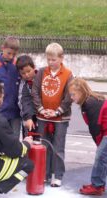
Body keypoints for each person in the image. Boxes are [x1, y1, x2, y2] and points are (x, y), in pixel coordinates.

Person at [68, 78, 107, 195]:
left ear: (81, 92)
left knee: (101, 156)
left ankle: (97, 186)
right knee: (103, 157)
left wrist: (99, 144)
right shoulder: (87, 101)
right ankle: (99, 184)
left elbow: (94, 127)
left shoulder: (90, 103)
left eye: (73, 94)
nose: (71, 97)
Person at [32, 43, 73, 187]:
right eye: (48, 59)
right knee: (44, 146)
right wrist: (41, 109)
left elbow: (70, 95)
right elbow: (35, 91)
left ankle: (58, 176)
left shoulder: (68, 74)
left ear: (61, 58)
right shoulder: (42, 72)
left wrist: (58, 111)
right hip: (43, 116)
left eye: (53, 60)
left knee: (58, 147)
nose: (50, 62)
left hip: (61, 118)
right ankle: (45, 174)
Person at [16, 55, 38, 135]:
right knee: (29, 142)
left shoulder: (42, 78)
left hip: (43, 117)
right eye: (23, 73)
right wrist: (28, 117)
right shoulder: (23, 84)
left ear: (34, 67)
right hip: (29, 117)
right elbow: (23, 101)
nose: (27, 75)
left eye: (29, 71)